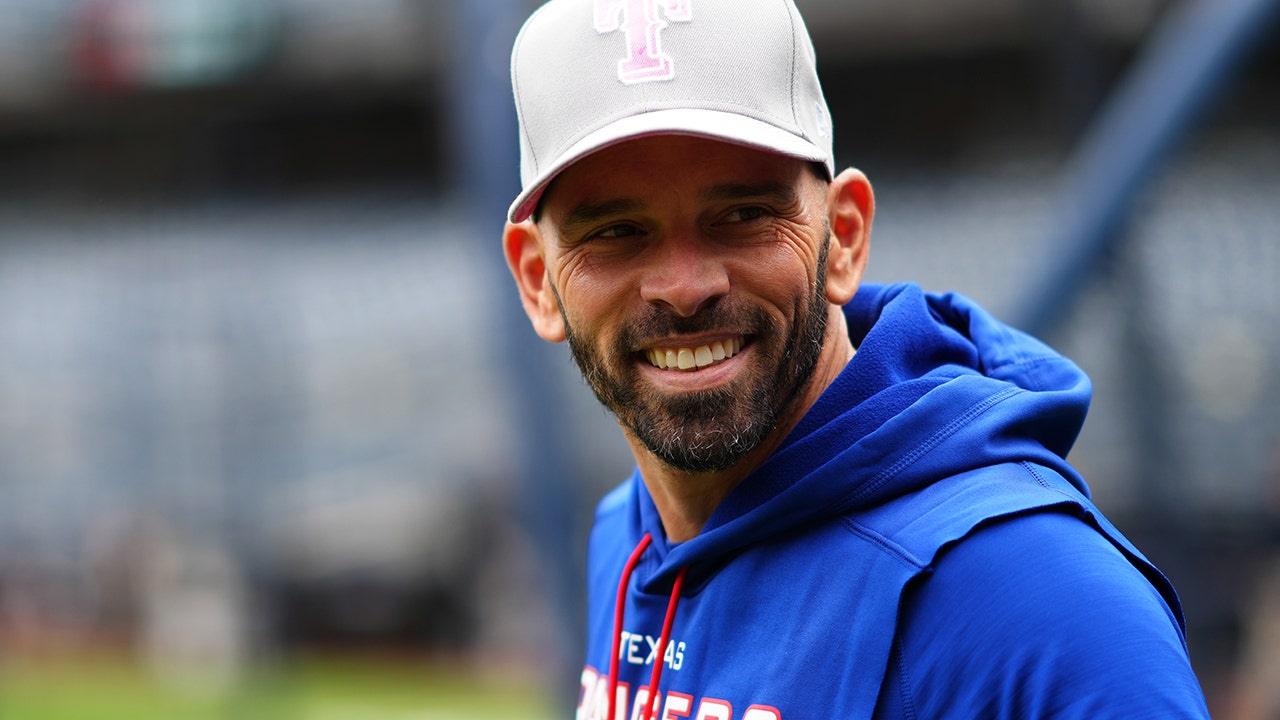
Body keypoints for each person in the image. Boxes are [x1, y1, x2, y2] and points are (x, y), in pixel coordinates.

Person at [500, 0, 1211, 717]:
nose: (685, 288)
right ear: (538, 280)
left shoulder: (1042, 604)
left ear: (843, 235)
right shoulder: (627, 531)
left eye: (744, 215)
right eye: (618, 231)